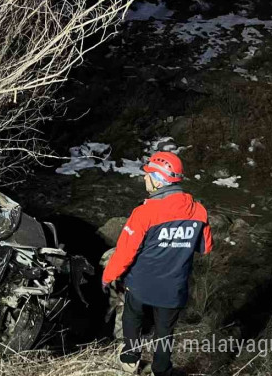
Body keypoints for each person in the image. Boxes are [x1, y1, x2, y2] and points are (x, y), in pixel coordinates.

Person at [101, 151, 212, 376]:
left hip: (141, 285)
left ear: (160, 179)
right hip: (174, 287)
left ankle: (130, 359)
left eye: (148, 174)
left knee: (132, 317)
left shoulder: (145, 212)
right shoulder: (198, 211)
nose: (144, 177)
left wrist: (108, 277)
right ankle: (161, 370)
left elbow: (125, 253)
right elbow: (205, 247)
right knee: (165, 330)